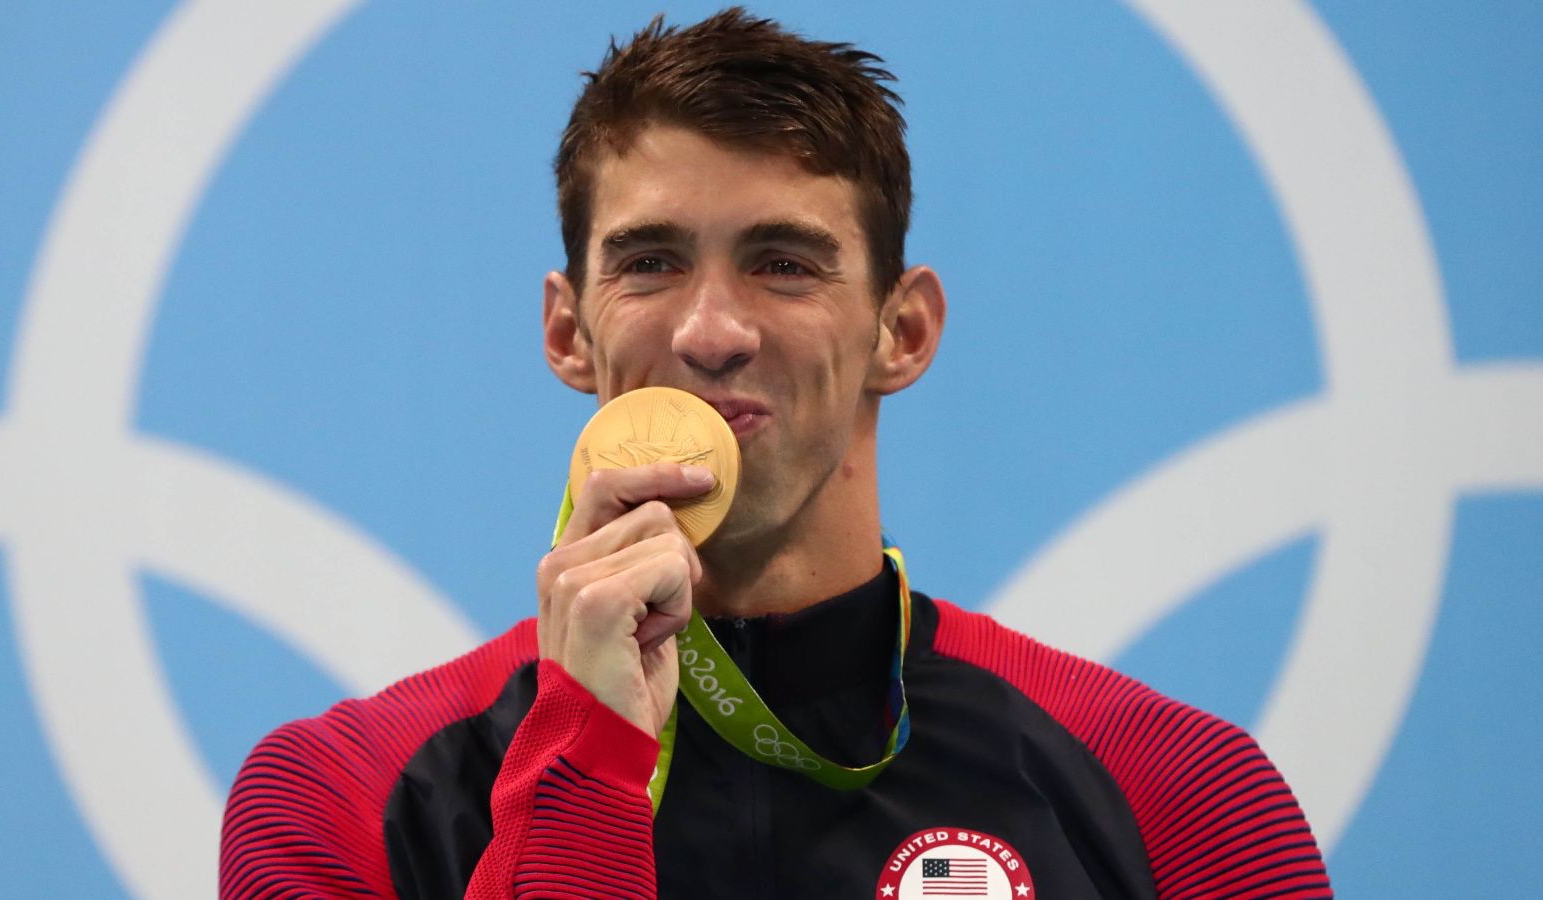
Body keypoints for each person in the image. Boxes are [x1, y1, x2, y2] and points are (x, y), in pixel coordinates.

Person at [220, 9, 1334, 899]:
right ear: (568, 331)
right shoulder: (340, 799)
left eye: (784, 264)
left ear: (903, 332)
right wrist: (585, 765)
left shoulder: (1178, 791)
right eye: (650, 263)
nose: (713, 331)